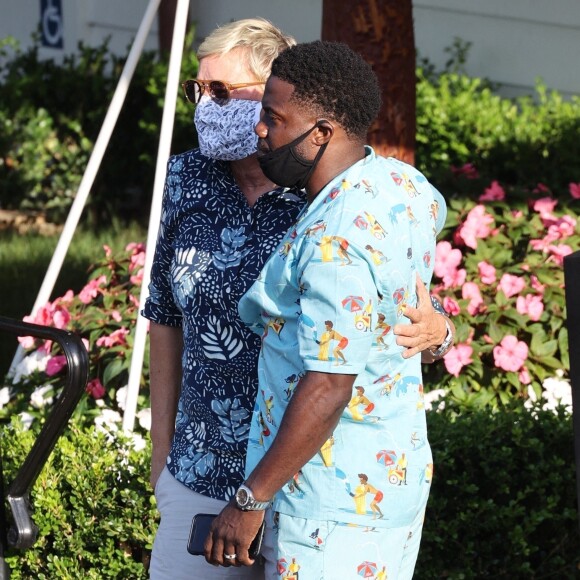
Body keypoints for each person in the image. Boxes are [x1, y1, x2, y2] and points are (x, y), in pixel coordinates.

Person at [143, 19, 452, 579]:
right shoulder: (189, 178)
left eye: (226, 93)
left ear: (313, 122)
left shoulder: (328, 208)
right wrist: (162, 453)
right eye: (199, 90)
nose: (255, 126)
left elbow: (338, 372)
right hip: (209, 469)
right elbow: (163, 314)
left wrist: (443, 330)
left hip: (311, 491)